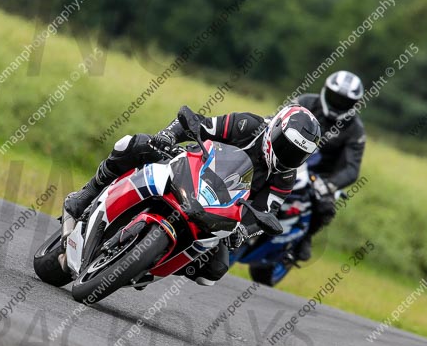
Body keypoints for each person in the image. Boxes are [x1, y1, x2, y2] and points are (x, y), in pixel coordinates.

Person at [64, 105, 321, 286]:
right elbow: (200, 123)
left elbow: (266, 211)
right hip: (189, 170)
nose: (289, 156)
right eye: (286, 145)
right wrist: (167, 136)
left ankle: (147, 262)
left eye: (298, 154)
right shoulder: (248, 125)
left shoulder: (286, 177)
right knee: (133, 144)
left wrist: (244, 230)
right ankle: (86, 195)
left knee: (214, 271)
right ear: (276, 128)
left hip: (215, 210)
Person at [293, 70, 367, 262]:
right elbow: (276, 119)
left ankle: (304, 238)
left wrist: (330, 185)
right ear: (325, 90)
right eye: (335, 97)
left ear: (354, 104)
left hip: (320, 177)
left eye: (345, 102)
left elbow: (352, 168)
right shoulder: (305, 102)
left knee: (326, 206)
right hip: (288, 159)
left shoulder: (355, 129)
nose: (338, 104)